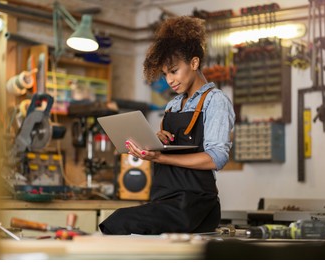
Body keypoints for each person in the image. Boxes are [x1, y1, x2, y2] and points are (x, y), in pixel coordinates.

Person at [99, 16, 235, 235]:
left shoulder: (215, 100)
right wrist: (157, 141)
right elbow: (173, 145)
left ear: (194, 63)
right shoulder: (172, 105)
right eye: (165, 74)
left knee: (118, 221)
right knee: (118, 223)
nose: (169, 80)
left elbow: (216, 157)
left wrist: (161, 157)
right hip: (165, 200)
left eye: (174, 71)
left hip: (195, 206)